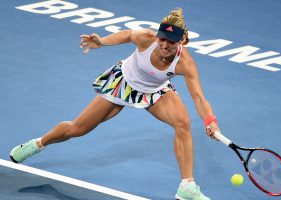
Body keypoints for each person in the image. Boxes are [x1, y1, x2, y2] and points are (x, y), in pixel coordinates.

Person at [10, 8, 220, 200]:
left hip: (154, 91)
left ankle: (187, 186)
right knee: (77, 129)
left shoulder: (186, 63)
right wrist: (102, 42)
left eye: (171, 42)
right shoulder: (146, 38)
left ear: (181, 41)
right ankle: (38, 144)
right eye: (162, 39)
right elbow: (128, 35)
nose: (165, 45)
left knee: (183, 123)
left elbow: (199, 98)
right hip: (124, 84)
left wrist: (210, 120)